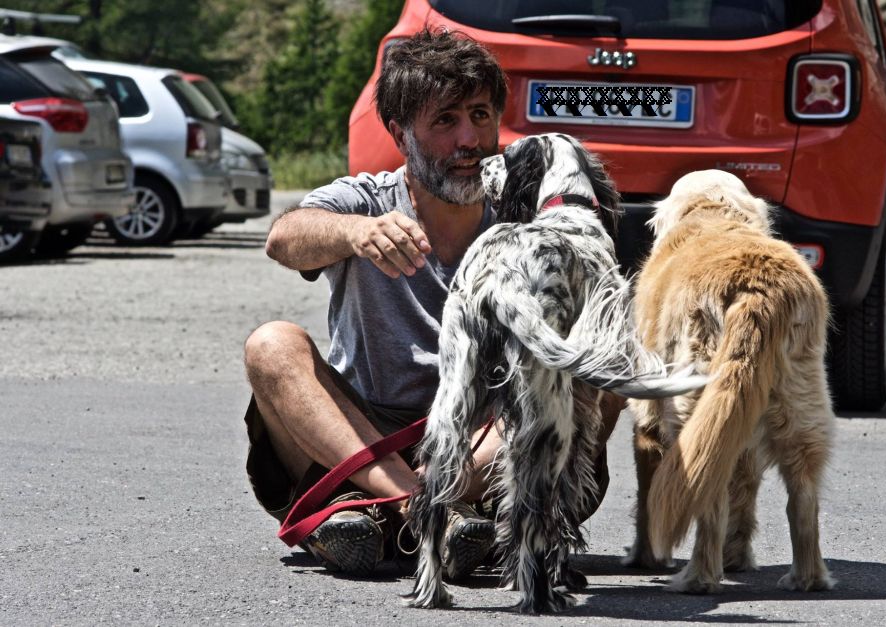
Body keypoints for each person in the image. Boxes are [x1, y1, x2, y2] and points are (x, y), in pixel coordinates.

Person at [242, 29, 626, 578]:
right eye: (445, 121)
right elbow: (285, 237)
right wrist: (355, 234)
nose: (469, 139)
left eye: (480, 114)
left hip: (485, 440)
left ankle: (395, 521)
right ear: (400, 133)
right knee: (271, 344)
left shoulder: (522, 215)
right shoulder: (366, 201)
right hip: (362, 437)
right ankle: (421, 512)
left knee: (594, 356)